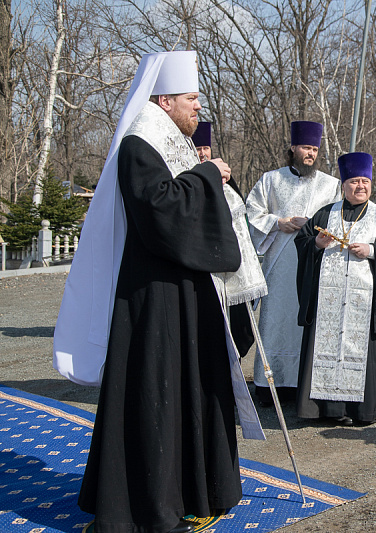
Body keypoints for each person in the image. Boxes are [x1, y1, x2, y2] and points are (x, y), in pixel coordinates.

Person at [53, 51, 266, 533]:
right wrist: (209, 177)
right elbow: (162, 214)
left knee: (189, 390)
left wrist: (205, 175)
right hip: (153, 298)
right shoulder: (139, 144)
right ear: (164, 100)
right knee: (159, 396)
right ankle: (149, 505)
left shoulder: (174, 141)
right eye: (192, 99)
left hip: (186, 292)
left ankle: (194, 489)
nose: (199, 108)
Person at [294, 152, 376, 425]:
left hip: (364, 304)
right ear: (343, 185)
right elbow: (302, 241)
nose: (361, 186)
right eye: (355, 181)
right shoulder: (325, 213)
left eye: (365, 181)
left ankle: (361, 411)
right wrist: (317, 245)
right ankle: (324, 409)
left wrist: (372, 250)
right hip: (328, 304)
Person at [246, 121, 341, 405]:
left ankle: (306, 383)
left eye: (314, 148)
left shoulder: (331, 185)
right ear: (293, 148)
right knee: (276, 322)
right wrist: (279, 222)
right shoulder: (270, 180)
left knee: (307, 323)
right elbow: (250, 213)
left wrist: (313, 229)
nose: (310, 153)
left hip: (313, 265)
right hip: (279, 265)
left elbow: (337, 221)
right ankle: (269, 386)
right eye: (305, 147)